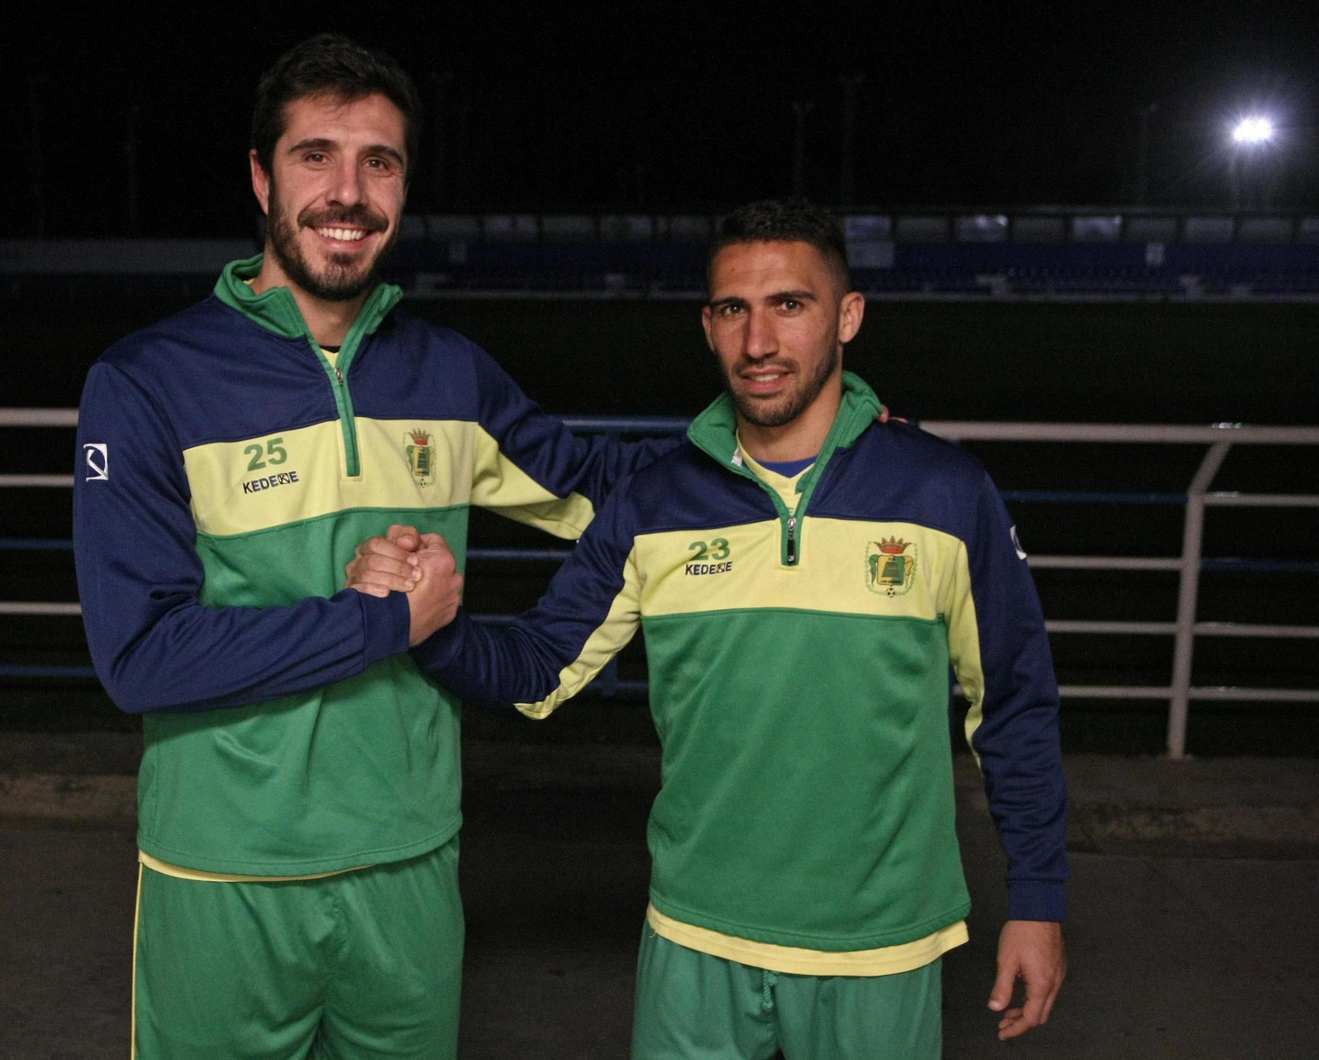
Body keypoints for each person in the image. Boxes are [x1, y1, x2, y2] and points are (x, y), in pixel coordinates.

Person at [71, 34, 668, 1060]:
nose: (346, 192)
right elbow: (141, 657)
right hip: (225, 870)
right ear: (261, 177)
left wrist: (788, 441)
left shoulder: (450, 374)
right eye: (316, 156)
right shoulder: (145, 382)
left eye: (378, 162)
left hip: (410, 859)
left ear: (402, 188)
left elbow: (607, 489)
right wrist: (378, 623)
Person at [360, 199, 1069, 1059]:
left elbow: (1016, 705)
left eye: (790, 305)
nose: (758, 341)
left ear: (847, 317)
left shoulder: (945, 492)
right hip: (696, 936)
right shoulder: (654, 502)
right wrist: (430, 626)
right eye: (734, 309)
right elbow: (542, 668)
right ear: (708, 325)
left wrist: (1038, 900)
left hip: (882, 943)